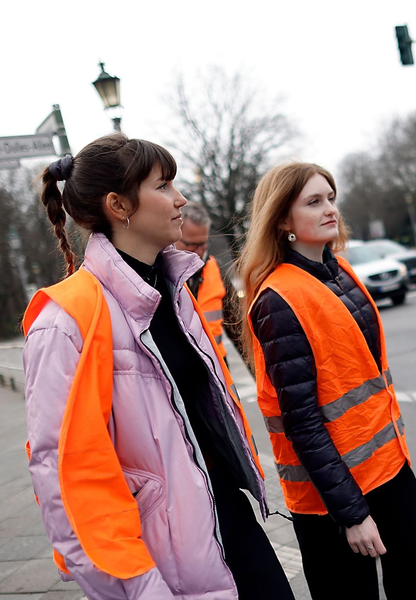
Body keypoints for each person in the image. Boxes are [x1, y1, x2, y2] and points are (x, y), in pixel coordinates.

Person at [22, 134, 294, 600]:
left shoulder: (173, 289)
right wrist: (137, 586)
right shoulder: (64, 321)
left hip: (227, 518)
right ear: (118, 205)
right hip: (158, 557)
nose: (180, 198)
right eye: (163, 185)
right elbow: (67, 480)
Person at [238, 162, 416, 600]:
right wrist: (352, 514)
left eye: (331, 198)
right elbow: (302, 422)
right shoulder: (278, 299)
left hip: (386, 468)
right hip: (329, 497)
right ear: (282, 219)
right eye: (314, 202)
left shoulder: (341, 272)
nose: (330, 209)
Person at [175, 201, 228, 360]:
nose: (199, 252)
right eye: (192, 245)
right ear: (174, 236)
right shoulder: (159, 272)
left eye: (203, 244)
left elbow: (237, 327)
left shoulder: (216, 268)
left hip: (217, 362)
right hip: (184, 368)